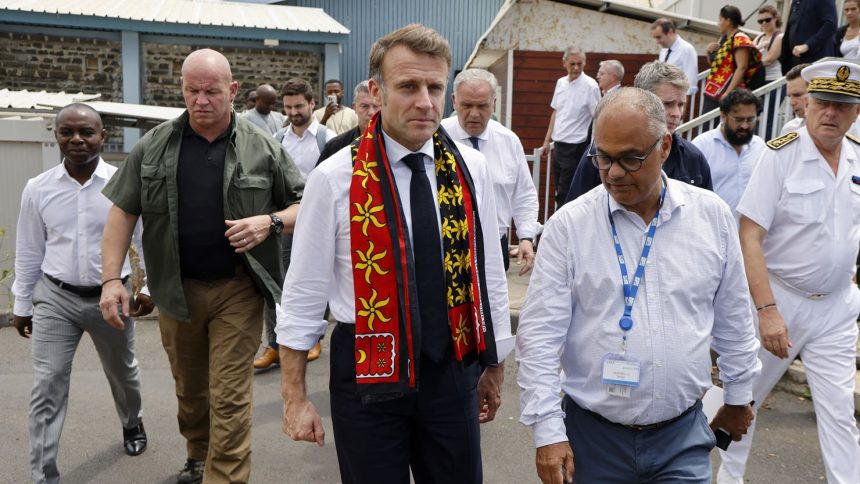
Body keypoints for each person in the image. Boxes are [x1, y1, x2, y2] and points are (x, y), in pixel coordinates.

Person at [277, 24, 513, 484]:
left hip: (453, 368)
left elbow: (488, 274)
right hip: (368, 374)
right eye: (408, 86)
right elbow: (303, 292)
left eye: (435, 87)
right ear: (376, 91)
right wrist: (293, 397)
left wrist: (494, 366)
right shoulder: (335, 178)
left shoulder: (472, 170)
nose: (425, 101)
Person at [517, 87, 761, 484]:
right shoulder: (570, 226)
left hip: (681, 439)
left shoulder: (710, 216)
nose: (613, 172)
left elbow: (733, 316)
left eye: (630, 158)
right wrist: (548, 432)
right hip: (591, 441)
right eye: (603, 157)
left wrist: (738, 396)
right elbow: (540, 337)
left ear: (664, 146)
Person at [98, 48, 304, 484]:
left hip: (237, 289)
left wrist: (268, 222)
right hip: (176, 290)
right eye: (193, 91)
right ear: (183, 90)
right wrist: (111, 279)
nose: (202, 100)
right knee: (191, 393)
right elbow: (122, 211)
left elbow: (305, 206)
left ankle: (224, 476)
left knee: (228, 397)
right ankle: (198, 455)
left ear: (232, 91)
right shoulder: (154, 146)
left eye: (212, 91)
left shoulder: (263, 147)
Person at [717, 60, 860, 484]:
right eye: (823, 103)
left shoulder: (857, 157)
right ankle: (726, 477)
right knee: (742, 402)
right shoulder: (781, 154)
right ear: (807, 104)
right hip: (781, 300)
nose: (830, 113)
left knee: (838, 413)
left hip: (835, 309)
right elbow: (750, 234)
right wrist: (766, 310)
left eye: (841, 105)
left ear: (856, 112)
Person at [11, 103, 152, 484]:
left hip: (112, 298)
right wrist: (21, 304)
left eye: (86, 132)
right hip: (55, 298)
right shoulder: (37, 189)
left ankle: (131, 422)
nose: (76, 139)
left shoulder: (122, 183)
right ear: (55, 136)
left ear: (103, 136)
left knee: (123, 373)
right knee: (47, 383)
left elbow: (145, 239)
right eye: (66, 132)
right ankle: (44, 475)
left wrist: (147, 287)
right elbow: (29, 250)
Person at [565, 61, 712, 203]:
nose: (676, 113)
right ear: (642, 100)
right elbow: (574, 215)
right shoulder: (600, 154)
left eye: (681, 105)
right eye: (667, 104)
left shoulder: (693, 158)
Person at [441, 68, 541, 274]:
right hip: (447, 244)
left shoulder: (509, 141)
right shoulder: (437, 138)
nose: (474, 114)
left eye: (482, 106)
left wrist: (526, 238)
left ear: (493, 103)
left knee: (492, 303)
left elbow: (524, 194)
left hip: (495, 244)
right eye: (467, 105)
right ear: (454, 101)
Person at [540, 45, 601, 208]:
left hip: (577, 147)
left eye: (580, 64)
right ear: (564, 63)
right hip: (559, 145)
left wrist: (595, 146)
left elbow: (598, 116)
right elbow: (556, 112)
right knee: (559, 189)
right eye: (572, 64)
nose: (576, 68)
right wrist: (546, 141)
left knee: (566, 193)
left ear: (585, 64)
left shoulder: (590, 85)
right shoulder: (560, 83)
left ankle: (563, 228)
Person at [692, 88, 766, 211]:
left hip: (748, 228)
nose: (745, 126)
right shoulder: (702, 146)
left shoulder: (760, 146)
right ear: (723, 116)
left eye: (750, 119)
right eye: (739, 120)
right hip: (712, 226)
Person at [703, 5, 763, 113]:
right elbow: (714, 66)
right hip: (714, 89)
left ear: (728, 21)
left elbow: (742, 67)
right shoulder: (724, 39)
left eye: (720, 20)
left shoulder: (740, 38)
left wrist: (727, 92)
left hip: (730, 91)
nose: (718, 23)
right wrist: (708, 51)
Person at [276, 78, 335, 179]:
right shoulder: (277, 139)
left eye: (298, 106)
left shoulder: (329, 139)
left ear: (312, 104)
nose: (293, 112)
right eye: (288, 107)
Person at [317, 80, 381, 163]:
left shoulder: (397, 143)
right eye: (364, 106)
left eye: (376, 106)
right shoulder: (335, 146)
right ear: (354, 107)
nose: (371, 112)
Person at [780, 0, 837, 74]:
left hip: (815, 62)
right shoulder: (796, 2)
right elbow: (789, 31)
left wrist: (808, 45)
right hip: (795, 63)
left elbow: (830, 24)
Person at [754, 5, 785, 138]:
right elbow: (749, 54)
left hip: (775, 82)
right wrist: (759, 47)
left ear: (776, 18)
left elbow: (770, 59)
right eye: (760, 21)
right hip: (759, 81)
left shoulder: (780, 37)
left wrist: (753, 61)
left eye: (767, 19)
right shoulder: (759, 37)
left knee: (768, 117)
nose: (764, 23)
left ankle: (765, 147)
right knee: (753, 115)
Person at [650, 18, 700, 95]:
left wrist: (681, 105)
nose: (657, 42)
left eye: (659, 37)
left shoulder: (687, 49)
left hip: (677, 99)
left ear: (670, 32)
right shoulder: (664, 50)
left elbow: (690, 82)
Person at [779, 63, 810, 136]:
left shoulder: (838, 130)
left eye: (797, 95)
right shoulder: (789, 130)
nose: (792, 103)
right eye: (789, 96)